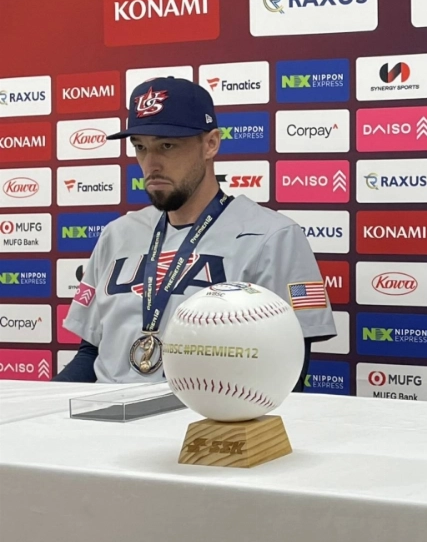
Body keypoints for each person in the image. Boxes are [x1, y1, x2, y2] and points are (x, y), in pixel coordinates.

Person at [56, 77, 336, 386]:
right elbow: (90, 353)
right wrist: (37, 405)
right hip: (106, 410)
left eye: (167, 146)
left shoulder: (274, 236)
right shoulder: (117, 234)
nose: (151, 164)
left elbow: (290, 368)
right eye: (140, 147)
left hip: (205, 413)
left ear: (210, 144)